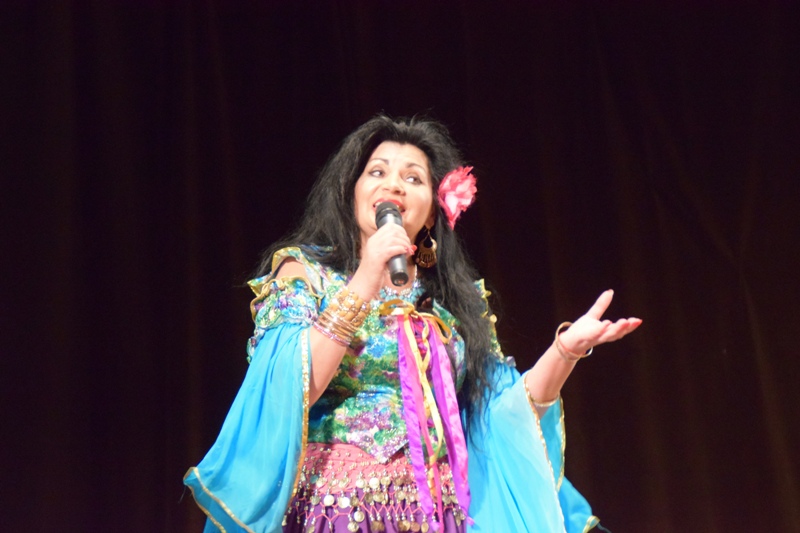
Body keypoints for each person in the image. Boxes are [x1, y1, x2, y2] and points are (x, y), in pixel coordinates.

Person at [184, 114, 641, 533]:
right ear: (351, 192)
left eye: (413, 178)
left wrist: (565, 351)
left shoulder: (453, 303)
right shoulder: (305, 274)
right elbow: (290, 387)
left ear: (433, 210)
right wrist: (367, 275)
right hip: (331, 511)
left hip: (438, 516)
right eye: (377, 172)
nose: (394, 186)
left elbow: (502, 416)